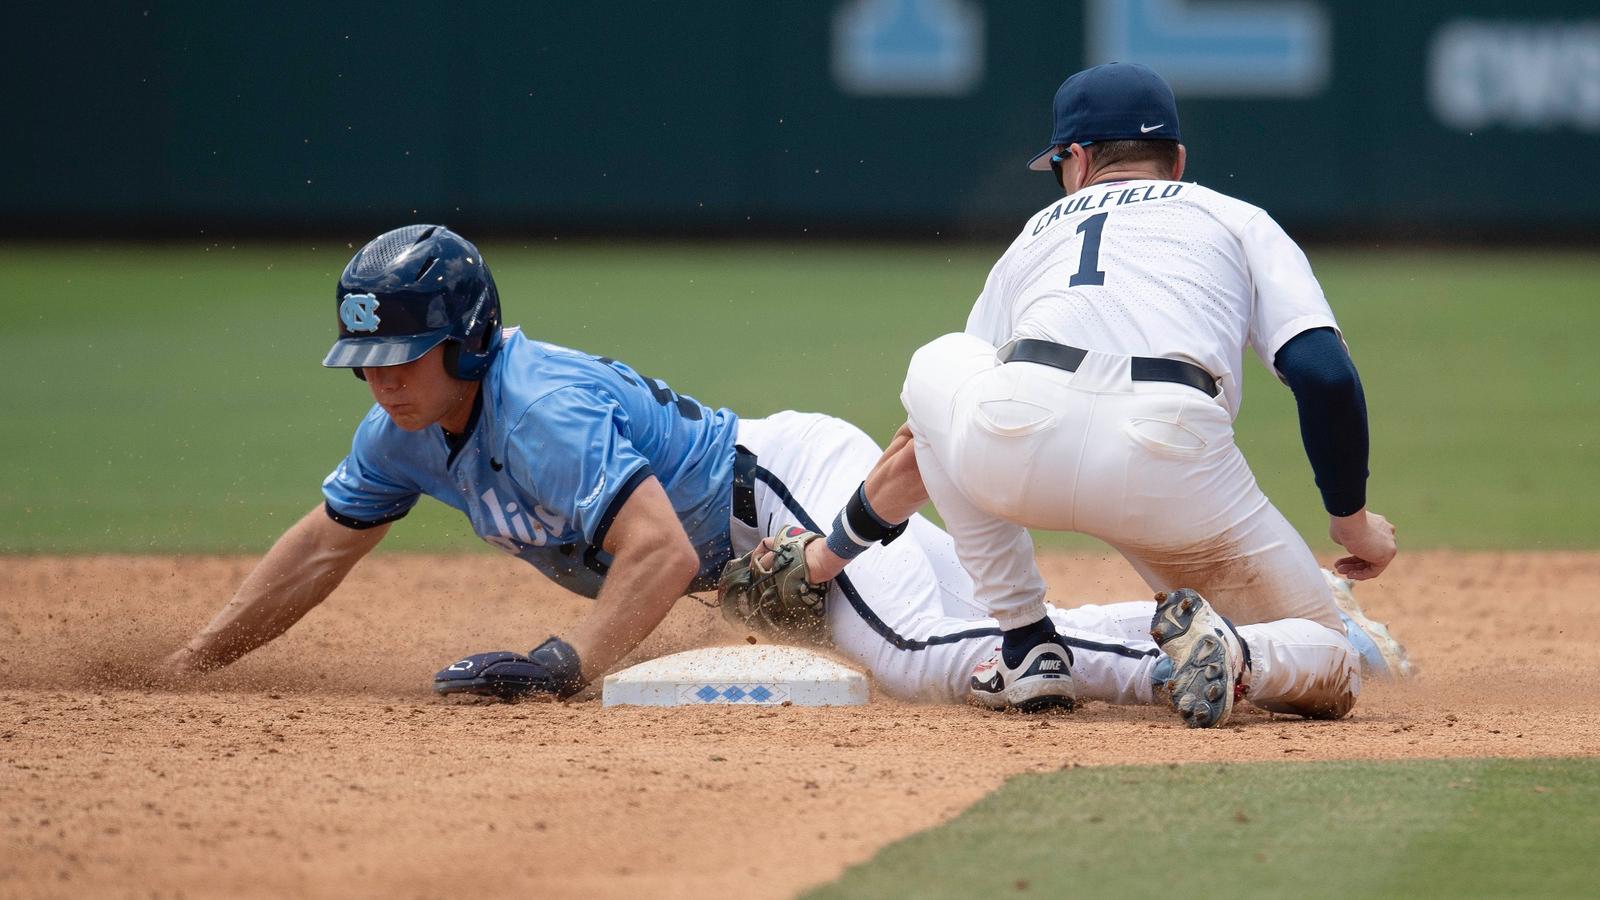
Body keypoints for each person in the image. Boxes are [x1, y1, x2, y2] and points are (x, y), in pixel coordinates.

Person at [159, 223, 1198, 709]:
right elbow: (320, 548)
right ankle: (1210, 637)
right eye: (367, 360)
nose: (381, 380)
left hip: (781, 496)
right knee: (969, 616)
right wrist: (192, 663)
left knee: (913, 657)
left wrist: (565, 664)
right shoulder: (399, 432)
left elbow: (655, 555)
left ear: (466, 341)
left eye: (403, 353)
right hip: (757, 521)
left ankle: (1164, 672)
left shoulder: (540, 409)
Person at [788, 63, 1405, 727]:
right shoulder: (1237, 217)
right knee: (1329, 652)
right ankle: (1240, 655)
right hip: (1173, 459)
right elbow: (1324, 374)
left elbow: (924, 445)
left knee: (940, 366)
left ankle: (1026, 642)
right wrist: (1351, 523)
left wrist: (829, 554)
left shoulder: (1033, 237)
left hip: (1018, 439)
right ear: (1177, 160)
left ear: (1076, 160)